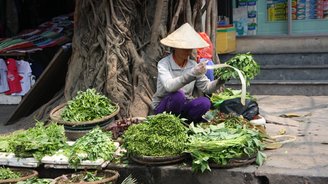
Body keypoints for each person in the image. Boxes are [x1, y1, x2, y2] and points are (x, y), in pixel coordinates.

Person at [151, 23, 226, 124]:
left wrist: (222, 80)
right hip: (165, 106)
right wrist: (192, 73)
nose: (188, 51)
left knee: (205, 102)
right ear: (175, 48)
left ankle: (185, 124)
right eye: (184, 47)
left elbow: (207, 87)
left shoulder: (192, 64)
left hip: (184, 106)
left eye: (190, 47)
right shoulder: (164, 64)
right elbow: (170, 87)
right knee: (178, 95)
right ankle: (171, 124)